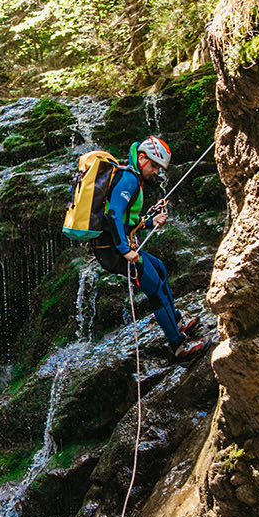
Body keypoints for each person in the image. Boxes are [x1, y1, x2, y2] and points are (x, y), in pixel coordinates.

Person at [92, 136, 207, 360]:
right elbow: (114, 213)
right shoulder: (128, 179)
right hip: (113, 250)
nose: (156, 171)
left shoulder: (131, 177)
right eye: (154, 165)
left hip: (115, 245)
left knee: (160, 268)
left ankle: (176, 322)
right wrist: (125, 249)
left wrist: (149, 222)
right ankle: (178, 346)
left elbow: (125, 219)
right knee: (155, 289)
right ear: (142, 158)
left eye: (159, 167)